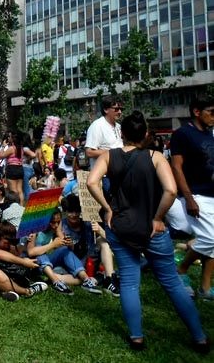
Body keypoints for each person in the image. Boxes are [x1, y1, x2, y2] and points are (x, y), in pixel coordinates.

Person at [87, 110, 210, 354]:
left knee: (130, 283)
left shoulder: (109, 157)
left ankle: (136, 337)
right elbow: (171, 190)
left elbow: (91, 182)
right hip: (151, 229)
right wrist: (157, 217)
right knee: (172, 283)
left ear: (121, 134)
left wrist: (108, 209)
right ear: (145, 134)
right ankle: (199, 337)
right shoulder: (155, 157)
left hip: (120, 227)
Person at [169, 95, 214, 300]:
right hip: (195, 194)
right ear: (197, 112)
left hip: (211, 193)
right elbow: (176, 167)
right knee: (211, 238)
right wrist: (188, 197)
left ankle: (205, 289)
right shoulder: (182, 134)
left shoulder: (209, 134)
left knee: (211, 243)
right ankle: (181, 269)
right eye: (211, 112)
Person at [25, 209, 102, 295]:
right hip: (31, 264)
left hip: (45, 263)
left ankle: (86, 280)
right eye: (53, 222)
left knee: (64, 249)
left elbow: (63, 241)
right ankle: (56, 282)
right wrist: (52, 245)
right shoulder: (34, 227)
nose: (56, 225)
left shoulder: (56, 224)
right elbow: (31, 252)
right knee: (39, 251)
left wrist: (69, 243)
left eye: (58, 222)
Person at [61, 194, 120, 296]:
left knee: (103, 242)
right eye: (70, 212)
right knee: (61, 270)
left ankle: (109, 279)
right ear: (65, 212)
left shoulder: (88, 223)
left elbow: (114, 242)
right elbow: (61, 251)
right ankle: (90, 279)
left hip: (91, 261)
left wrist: (100, 231)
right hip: (74, 264)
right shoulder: (62, 226)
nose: (74, 215)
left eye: (77, 211)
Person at [85, 96, 124, 196]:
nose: (119, 112)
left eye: (121, 109)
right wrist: (114, 152)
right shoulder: (97, 126)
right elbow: (89, 152)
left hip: (119, 174)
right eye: (116, 109)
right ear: (106, 110)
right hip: (105, 176)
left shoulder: (119, 127)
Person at [0, 132, 25, 205]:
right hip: (20, 168)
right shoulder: (21, 148)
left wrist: (3, 146)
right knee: (20, 190)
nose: (8, 138)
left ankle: (16, 207)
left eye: (10, 137)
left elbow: (1, 155)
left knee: (13, 190)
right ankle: (22, 206)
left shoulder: (11, 148)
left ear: (13, 139)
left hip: (12, 168)